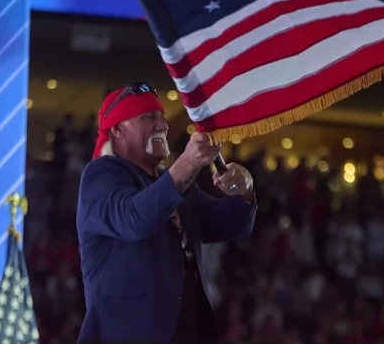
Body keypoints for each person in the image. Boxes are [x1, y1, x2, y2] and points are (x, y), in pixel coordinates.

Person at [76, 82, 257, 344]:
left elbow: (230, 224)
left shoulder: (171, 182)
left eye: (162, 117)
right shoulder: (100, 175)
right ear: (117, 129)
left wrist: (244, 188)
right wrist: (188, 164)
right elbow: (134, 219)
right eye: (149, 117)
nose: (163, 125)